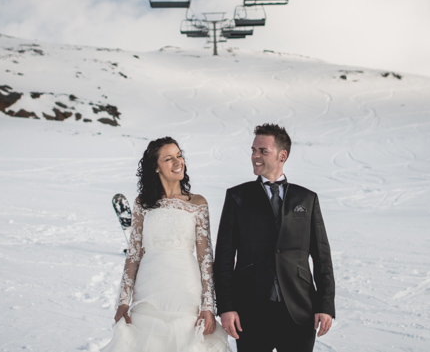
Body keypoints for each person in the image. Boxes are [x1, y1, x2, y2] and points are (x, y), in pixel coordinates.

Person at [102, 136, 231, 352]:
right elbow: (133, 256)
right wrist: (123, 300)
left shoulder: (197, 203)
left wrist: (208, 306)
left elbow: (205, 258)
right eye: (169, 158)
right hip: (149, 287)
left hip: (186, 288)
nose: (178, 162)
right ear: (155, 167)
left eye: (179, 156)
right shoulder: (142, 203)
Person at [214, 123, 335, 352]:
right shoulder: (237, 197)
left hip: (300, 310)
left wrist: (325, 305)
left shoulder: (307, 199)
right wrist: (226, 307)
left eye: (262, 151)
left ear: (282, 155)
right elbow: (224, 257)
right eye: (253, 150)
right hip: (251, 310)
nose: (255, 156)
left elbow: (322, 257)